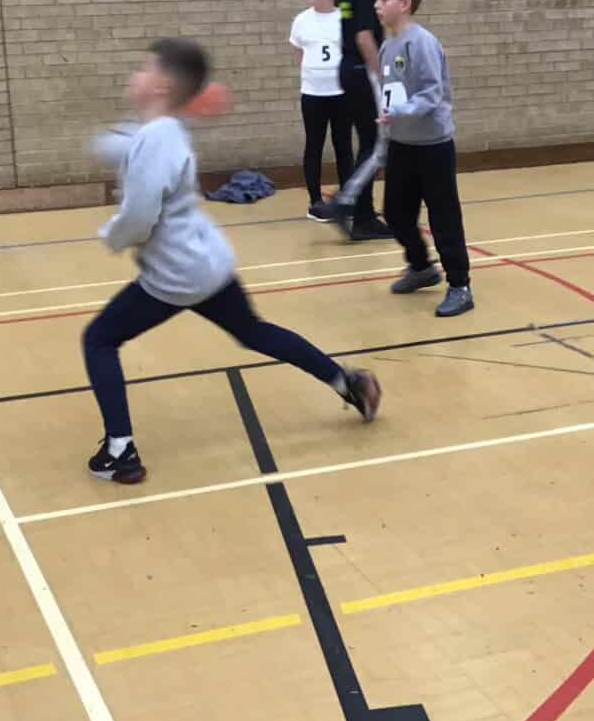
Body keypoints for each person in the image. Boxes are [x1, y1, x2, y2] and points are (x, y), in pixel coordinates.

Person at [83, 38, 381, 485]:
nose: (135, 76)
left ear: (161, 86)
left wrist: (113, 236)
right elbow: (131, 146)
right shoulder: (163, 131)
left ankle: (120, 451)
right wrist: (110, 142)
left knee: (99, 339)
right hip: (207, 263)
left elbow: (141, 216)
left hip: (177, 273)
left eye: (144, 68)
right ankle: (348, 383)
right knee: (254, 331)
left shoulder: (155, 139)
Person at [371, 0, 473, 318]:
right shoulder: (388, 46)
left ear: (405, 3)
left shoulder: (422, 43)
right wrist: (386, 139)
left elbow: (432, 93)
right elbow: (388, 95)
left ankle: (460, 285)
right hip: (402, 144)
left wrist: (401, 111)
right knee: (396, 214)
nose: (377, 5)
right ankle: (421, 266)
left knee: (444, 218)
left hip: (433, 147)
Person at [309, 0, 392, 241]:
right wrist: (381, 76)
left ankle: (364, 217)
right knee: (377, 146)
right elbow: (363, 36)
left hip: (348, 70)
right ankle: (344, 201)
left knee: (370, 141)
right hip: (360, 70)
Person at [289, 0, 353, 220]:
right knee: (314, 145)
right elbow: (299, 54)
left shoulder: (343, 18)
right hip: (313, 94)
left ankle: (347, 201)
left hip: (341, 94)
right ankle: (315, 201)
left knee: (343, 146)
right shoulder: (301, 20)